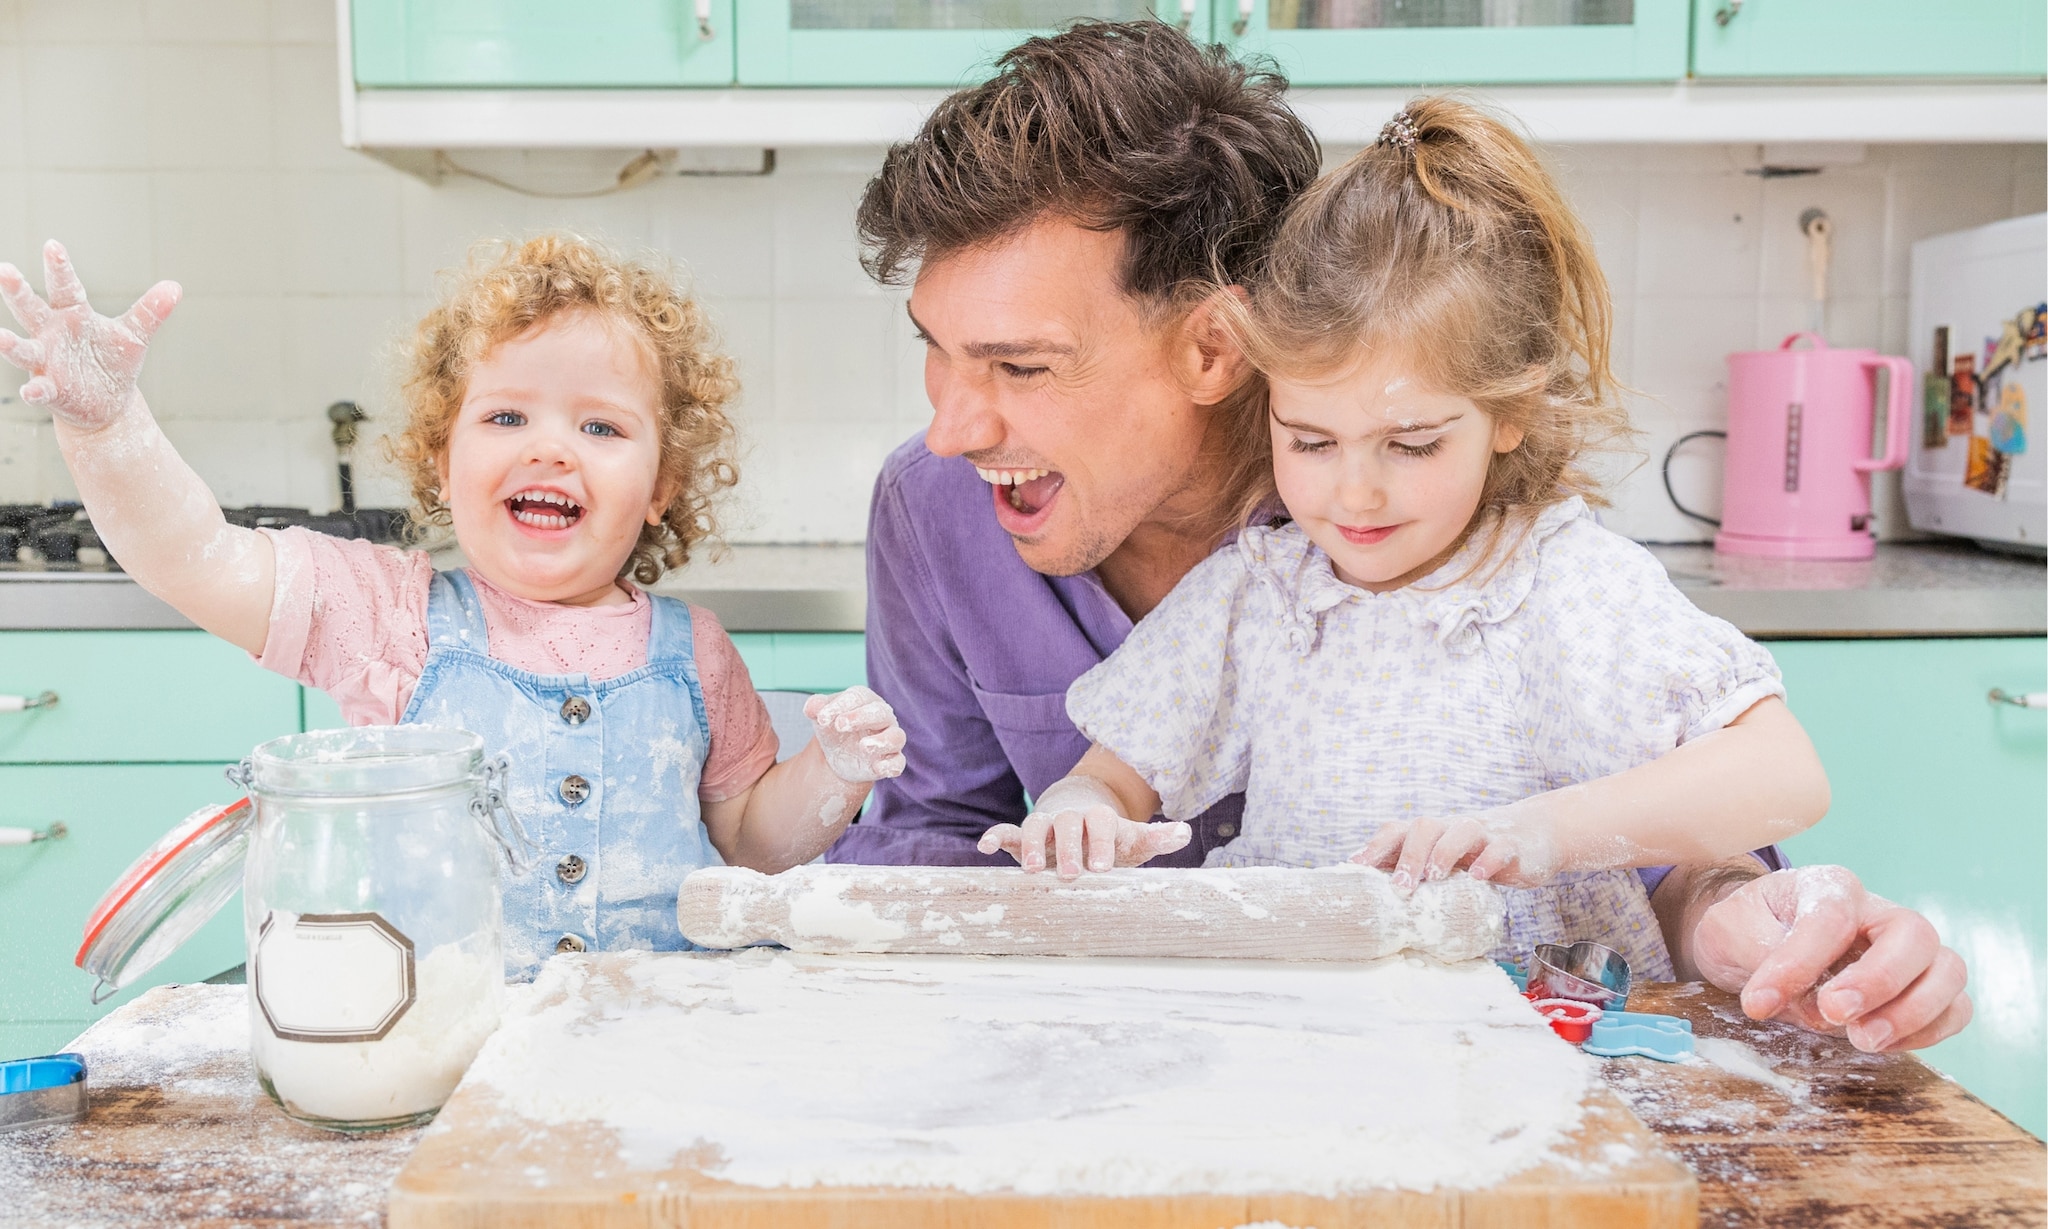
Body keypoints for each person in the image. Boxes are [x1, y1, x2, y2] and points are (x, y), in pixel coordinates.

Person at [839, 20, 1970, 1052]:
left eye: (1020, 366)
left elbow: (1675, 852)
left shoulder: (1464, 525)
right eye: (934, 347)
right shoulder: (942, 511)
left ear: (1216, 347)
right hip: (1232, 1054)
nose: (949, 427)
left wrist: (1743, 919)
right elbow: (943, 828)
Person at [977, 96, 1836, 981]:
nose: (1354, 491)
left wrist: (1536, 833)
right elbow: (1111, 779)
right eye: (1309, 440)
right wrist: (1079, 810)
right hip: (1308, 1036)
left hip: (1534, 1046)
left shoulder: (1557, 583)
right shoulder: (1262, 594)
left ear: (1510, 414)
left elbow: (1783, 772)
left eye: (1413, 443)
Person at [0, 234, 908, 978]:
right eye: (507, 417)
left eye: (600, 426)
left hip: (656, 1049)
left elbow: (753, 843)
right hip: (443, 1057)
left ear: (662, 482)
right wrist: (104, 425)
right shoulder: (389, 617)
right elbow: (193, 559)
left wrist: (834, 769)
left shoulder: (696, 651)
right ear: (442, 459)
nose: (550, 447)